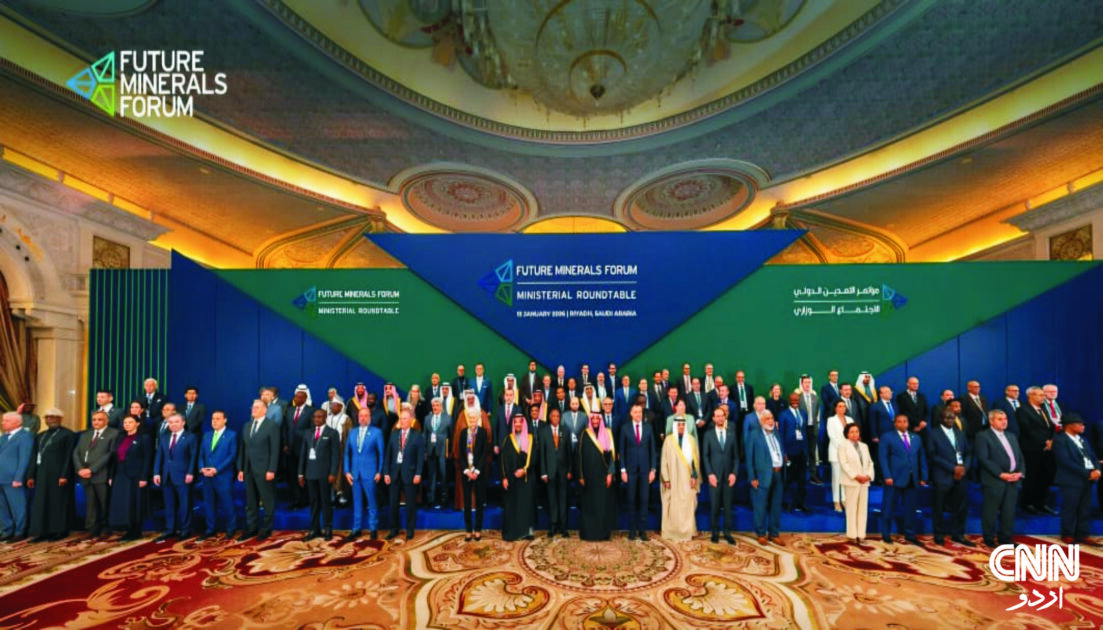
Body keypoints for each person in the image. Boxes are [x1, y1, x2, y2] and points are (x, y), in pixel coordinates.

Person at [975, 409, 1024, 547]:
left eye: (1005, 419)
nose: (1004, 422)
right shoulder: (983, 436)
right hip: (994, 480)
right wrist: (1000, 474)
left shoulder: (1011, 436)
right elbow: (983, 459)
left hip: (1013, 479)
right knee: (990, 510)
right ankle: (989, 537)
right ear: (991, 421)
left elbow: (1020, 457)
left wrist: (1020, 473)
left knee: (1009, 510)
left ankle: (1005, 537)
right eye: (1000, 419)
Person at [27, 408, 77, 542]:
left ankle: (60, 530)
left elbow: (69, 457)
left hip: (59, 475)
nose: (50, 420)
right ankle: (42, 531)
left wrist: (64, 475)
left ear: (60, 419)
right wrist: (31, 475)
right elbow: (34, 456)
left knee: (58, 502)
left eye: (53, 417)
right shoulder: (40, 436)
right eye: (47, 417)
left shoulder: (68, 435)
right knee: (42, 503)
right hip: (42, 475)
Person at [879, 413, 928, 545]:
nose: (902, 424)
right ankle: (886, 534)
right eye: (899, 421)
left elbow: (921, 457)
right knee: (889, 507)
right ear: (895, 424)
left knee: (910, 509)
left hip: (912, 478)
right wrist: (887, 475)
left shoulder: (916, 438)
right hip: (894, 479)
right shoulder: (887, 437)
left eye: (905, 421)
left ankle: (910, 534)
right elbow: (883, 458)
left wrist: (923, 476)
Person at [927, 409, 973, 547]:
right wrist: (953, 468)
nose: (950, 420)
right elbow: (932, 455)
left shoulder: (960, 433)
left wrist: (964, 468)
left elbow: (968, 452)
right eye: (947, 418)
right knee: (939, 507)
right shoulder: (933, 433)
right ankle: (939, 535)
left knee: (960, 507)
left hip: (961, 475)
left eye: (952, 418)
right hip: (942, 475)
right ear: (941, 419)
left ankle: (958, 535)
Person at [1052, 414, 1100, 545]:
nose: (1083, 427)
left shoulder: (1083, 440)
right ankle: (1067, 534)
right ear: (1069, 426)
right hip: (1071, 479)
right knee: (1070, 508)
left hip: (1087, 479)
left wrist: (1097, 469)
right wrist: (1087, 473)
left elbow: (1092, 456)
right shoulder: (1060, 440)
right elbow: (1066, 461)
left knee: (1084, 508)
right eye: (1080, 424)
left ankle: (1082, 534)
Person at [238, 399, 280, 541]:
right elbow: (244, 449)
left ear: (265, 410)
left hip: (265, 469)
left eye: (257, 407)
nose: (253, 409)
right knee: (251, 501)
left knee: (267, 500)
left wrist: (272, 469)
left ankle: (266, 529)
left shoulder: (271, 425)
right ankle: (252, 528)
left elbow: (275, 449)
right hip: (249, 469)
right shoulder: (247, 426)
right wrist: (241, 469)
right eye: (253, 407)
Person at [153, 413, 199, 542]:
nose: (173, 424)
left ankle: (186, 529)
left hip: (183, 476)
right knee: (169, 505)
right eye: (171, 422)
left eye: (176, 422)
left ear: (183, 423)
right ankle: (170, 529)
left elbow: (193, 457)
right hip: (166, 476)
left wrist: (190, 472)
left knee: (185, 504)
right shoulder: (164, 437)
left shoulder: (190, 437)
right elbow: (159, 456)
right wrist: (156, 473)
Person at [73, 410, 118, 537]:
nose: (96, 422)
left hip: (101, 474)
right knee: (91, 504)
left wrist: (91, 469)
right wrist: (80, 469)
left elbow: (110, 454)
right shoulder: (85, 435)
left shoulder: (114, 434)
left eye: (100, 419)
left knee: (105, 503)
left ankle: (107, 526)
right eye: (94, 420)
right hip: (85, 476)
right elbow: (76, 453)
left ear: (107, 421)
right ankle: (92, 528)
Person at [108, 414, 151, 541]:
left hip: (136, 474)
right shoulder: (120, 437)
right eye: (125, 422)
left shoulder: (144, 438)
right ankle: (128, 529)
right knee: (123, 502)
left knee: (134, 502)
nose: (127, 424)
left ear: (137, 423)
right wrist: (111, 476)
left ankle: (136, 530)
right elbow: (114, 458)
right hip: (120, 474)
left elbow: (147, 458)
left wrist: (144, 477)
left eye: (130, 422)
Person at [299, 409, 340, 541]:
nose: (316, 419)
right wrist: (300, 474)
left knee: (325, 501)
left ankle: (328, 528)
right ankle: (314, 529)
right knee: (313, 502)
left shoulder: (332, 433)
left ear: (325, 418)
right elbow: (303, 454)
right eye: (315, 417)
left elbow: (336, 455)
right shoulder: (308, 433)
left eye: (319, 417)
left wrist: (333, 473)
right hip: (310, 473)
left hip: (325, 474)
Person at [345, 407, 385, 541]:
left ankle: (373, 528)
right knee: (356, 503)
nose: (363, 418)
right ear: (358, 418)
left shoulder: (377, 432)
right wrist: (346, 471)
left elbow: (381, 454)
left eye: (366, 416)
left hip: (370, 473)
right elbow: (347, 453)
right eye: (361, 416)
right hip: (354, 474)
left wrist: (379, 471)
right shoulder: (352, 432)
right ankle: (356, 529)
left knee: (372, 502)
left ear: (370, 418)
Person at [384, 409, 423, 542]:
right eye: (401, 418)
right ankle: (393, 529)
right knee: (393, 503)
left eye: (405, 418)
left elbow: (420, 457)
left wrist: (418, 473)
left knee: (410, 504)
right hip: (394, 473)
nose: (402, 421)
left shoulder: (417, 435)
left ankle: (410, 530)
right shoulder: (394, 434)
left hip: (410, 474)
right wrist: (386, 472)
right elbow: (388, 454)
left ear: (411, 420)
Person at [619, 403, 656, 541]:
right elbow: (621, 450)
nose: (638, 414)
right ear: (631, 413)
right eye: (635, 412)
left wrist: (653, 469)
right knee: (631, 499)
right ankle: (632, 529)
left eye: (640, 412)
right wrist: (623, 470)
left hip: (645, 470)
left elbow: (652, 449)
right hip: (630, 471)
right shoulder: (625, 428)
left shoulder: (648, 427)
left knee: (644, 500)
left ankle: (642, 530)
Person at [1016, 386, 1056, 515]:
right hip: (1032, 449)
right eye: (1040, 395)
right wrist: (1045, 441)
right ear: (1031, 396)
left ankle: (1041, 503)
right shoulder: (1022, 410)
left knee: (1045, 477)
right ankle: (1027, 503)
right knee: (1031, 477)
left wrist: (1051, 441)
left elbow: (1050, 427)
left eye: (1043, 395)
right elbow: (1028, 430)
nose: (1043, 397)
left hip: (1047, 450)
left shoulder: (1043, 409)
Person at [745, 410, 783, 545]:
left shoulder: (776, 433)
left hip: (778, 474)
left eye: (772, 418)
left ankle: (774, 533)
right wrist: (752, 477)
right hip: (761, 476)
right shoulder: (754, 435)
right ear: (761, 421)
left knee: (776, 505)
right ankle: (761, 533)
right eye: (767, 419)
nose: (770, 421)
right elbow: (749, 458)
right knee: (760, 506)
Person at [198, 410, 236, 541]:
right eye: (213, 419)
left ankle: (231, 529)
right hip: (207, 476)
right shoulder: (206, 435)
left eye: (218, 418)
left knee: (227, 503)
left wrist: (217, 469)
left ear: (225, 420)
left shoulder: (232, 435)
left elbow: (232, 455)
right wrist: (202, 468)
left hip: (223, 476)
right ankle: (210, 529)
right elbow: (201, 454)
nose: (214, 421)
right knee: (209, 504)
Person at [578, 412, 615, 541]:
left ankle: (603, 533)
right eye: (592, 418)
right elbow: (579, 456)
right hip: (588, 477)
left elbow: (612, 457)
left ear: (600, 419)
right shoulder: (584, 434)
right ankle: (589, 533)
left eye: (597, 418)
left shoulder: (608, 433)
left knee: (602, 505)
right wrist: (581, 476)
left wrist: (610, 474)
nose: (595, 420)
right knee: (590, 505)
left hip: (603, 477)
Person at [660, 418, 699, 542]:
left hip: (687, 479)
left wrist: (694, 476)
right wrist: (666, 479)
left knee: (688, 504)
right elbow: (664, 461)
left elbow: (695, 462)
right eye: (679, 425)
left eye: (683, 424)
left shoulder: (691, 440)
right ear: (675, 426)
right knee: (673, 505)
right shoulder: (669, 441)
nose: (681, 427)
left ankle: (688, 531)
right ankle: (673, 531)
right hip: (673, 479)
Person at [702, 409, 737, 543]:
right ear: (713, 418)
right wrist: (709, 474)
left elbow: (736, 457)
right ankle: (715, 532)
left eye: (722, 416)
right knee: (715, 505)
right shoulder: (708, 435)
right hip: (714, 476)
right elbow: (705, 456)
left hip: (729, 476)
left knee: (728, 506)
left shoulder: (732, 433)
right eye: (717, 416)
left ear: (725, 417)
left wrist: (734, 473)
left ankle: (727, 532)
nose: (720, 418)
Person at [455, 404, 489, 541]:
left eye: (474, 418)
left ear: (478, 418)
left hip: (478, 472)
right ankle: (469, 530)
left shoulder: (483, 432)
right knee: (467, 502)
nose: (472, 420)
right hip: (467, 472)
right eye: (470, 418)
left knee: (479, 501)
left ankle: (478, 529)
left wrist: (477, 470)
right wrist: (466, 470)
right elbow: (461, 453)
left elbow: (484, 453)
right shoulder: (463, 433)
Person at [501, 412, 537, 541]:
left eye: (520, 422)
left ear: (524, 424)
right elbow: (503, 459)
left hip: (527, 478)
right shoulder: (508, 439)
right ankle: (516, 531)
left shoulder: (531, 439)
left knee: (527, 505)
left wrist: (525, 470)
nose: (517, 425)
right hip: (513, 479)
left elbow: (534, 457)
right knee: (514, 505)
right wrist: (505, 477)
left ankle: (528, 531)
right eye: (515, 422)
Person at [0, 412, 33, 541]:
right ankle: (6, 530)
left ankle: (20, 531)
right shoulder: (4, 437)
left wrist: (19, 478)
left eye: (6, 421)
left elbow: (24, 459)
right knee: (2, 506)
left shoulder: (25, 436)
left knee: (18, 506)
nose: (3, 423)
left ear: (17, 422)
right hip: (1, 477)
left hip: (13, 479)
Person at [838, 423, 873, 545]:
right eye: (852, 432)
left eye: (857, 431)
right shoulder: (843, 446)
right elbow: (844, 464)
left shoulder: (864, 446)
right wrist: (856, 476)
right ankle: (852, 535)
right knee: (852, 508)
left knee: (862, 509)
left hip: (864, 481)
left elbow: (870, 463)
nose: (855, 434)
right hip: (851, 481)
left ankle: (861, 535)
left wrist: (868, 476)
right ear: (847, 434)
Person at [539, 407, 572, 538]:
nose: (555, 418)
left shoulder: (565, 430)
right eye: (553, 416)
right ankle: (553, 525)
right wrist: (543, 472)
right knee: (552, 499)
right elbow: (542, 453)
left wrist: (570, 470)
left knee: (563, 499)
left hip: (563, 471)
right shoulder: (544, 431)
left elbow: (569, 451)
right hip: (550, 471)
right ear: (549, 417)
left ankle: (563, 526)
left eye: (558, 416)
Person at [283, 384, 314, 510]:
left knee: (303, 475)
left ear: (305, 398)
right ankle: (296, 499)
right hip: (290, 449)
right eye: (295, 397)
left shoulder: (311, 411)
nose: (296, 399)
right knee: (292, 475)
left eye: (300, 397)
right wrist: (285, 443)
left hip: (303, 448)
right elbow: (285, 428)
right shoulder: (290, 410)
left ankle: (305, 499)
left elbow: (312, 430)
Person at [424, 397, 452, 509]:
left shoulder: (448, 418)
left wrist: (450, 451)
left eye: (437, 405)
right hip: (431, 450)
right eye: (433, 406)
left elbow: (451, 435)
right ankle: (430, 499)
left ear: (441, 406)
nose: (435, 407)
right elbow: (425, 435)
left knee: (444, 475)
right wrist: (425, 451)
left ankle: (444, 499)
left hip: (443, 451)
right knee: (431, 476)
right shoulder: (427, 418)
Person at [325, 398, 353, 507]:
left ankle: (342, 497)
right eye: (331, 405)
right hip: (328, 449)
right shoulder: (327, 418)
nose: (332, 407)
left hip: (341, 449)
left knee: (340, 475)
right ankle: (331, 497)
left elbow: (349, 436)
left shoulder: (346, 419)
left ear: (340, 407)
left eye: (334, 405)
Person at [826, 400, 852, 512]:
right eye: (840, 406)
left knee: (846, 477)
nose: (842, 408)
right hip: (836, 452)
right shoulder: (831, 420)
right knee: (836, 477)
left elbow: (853, 435)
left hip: (848, 453)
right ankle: (836, 500)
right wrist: (842, 448)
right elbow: (832, 436)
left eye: (844, 406)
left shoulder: (850, 420)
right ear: (835, 408)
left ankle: (844, 499)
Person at [797, 375, 822, 484]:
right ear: (802, 384)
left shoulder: (815, 397)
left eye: (809, 382)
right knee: (802, 453)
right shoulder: (798, 398)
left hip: (813, 428)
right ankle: (801, 476)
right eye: (805, 382)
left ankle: (813, 475)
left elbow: (817, 413)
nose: (807, 384)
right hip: (802, 429)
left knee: (812, 453)